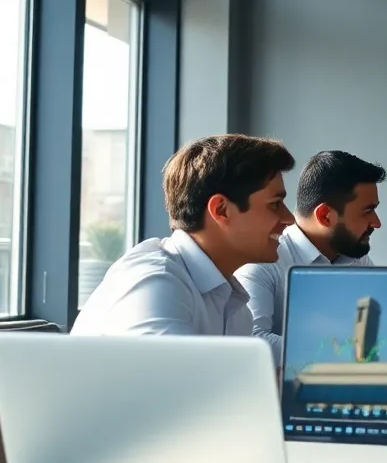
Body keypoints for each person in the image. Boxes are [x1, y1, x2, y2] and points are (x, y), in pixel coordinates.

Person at [71, 134, 296, 336]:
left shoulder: (236, 308)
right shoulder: (157, 282)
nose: (289, 219)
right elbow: (170, 381)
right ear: (221, 210)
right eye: (275, 204)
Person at [236, 150, 386, 365]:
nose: (377, 222)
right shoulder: (262, 262)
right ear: (325, 216)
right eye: (367, 211)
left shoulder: (356, 256)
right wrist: (338, 353)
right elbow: (253, 341)